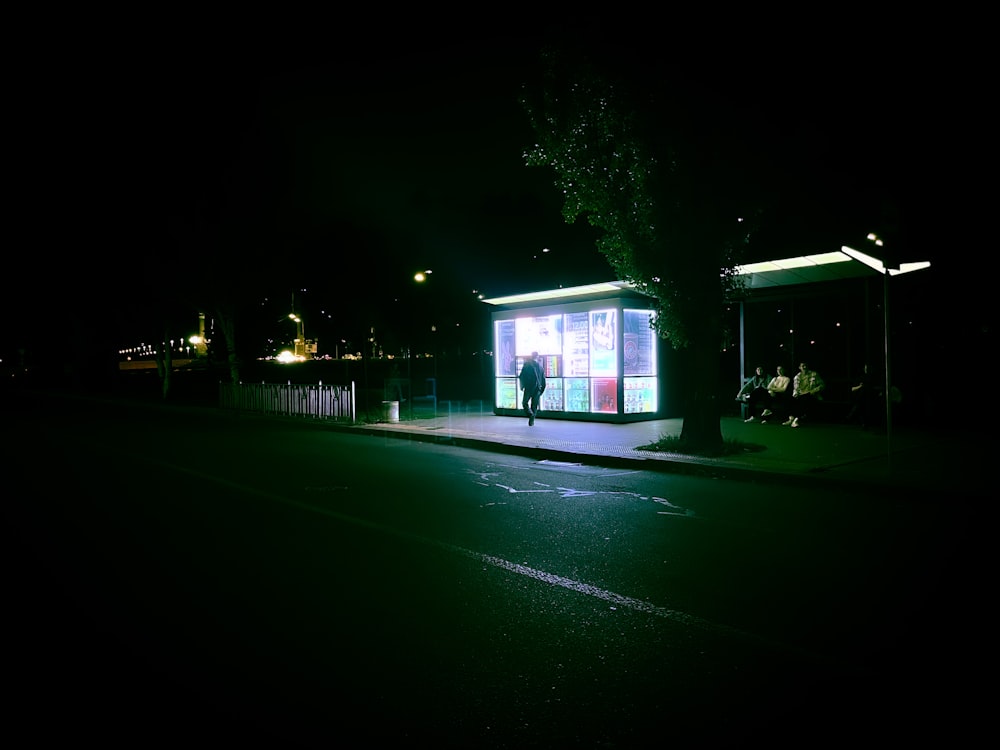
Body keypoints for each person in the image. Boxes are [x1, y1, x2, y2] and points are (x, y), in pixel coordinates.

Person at [784, 361, 825, 428]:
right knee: (787, 398)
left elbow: (822, 385)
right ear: (799, 367)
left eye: (805, 365)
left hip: (811, 394)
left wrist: (814, 391)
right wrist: (795, 394)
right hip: (800, 394)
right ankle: (791, 418)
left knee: (804, 400)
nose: (804, 367)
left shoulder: (814, 374)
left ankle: (796, 420)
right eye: (802, 366)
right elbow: (795, 388)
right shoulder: (797, 377)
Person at [518, 351, 546, 426]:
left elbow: (521, 376)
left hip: (529, 387)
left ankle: (530, 414)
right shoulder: (541, 367)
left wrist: (522, 386)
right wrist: (542, 390)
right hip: (537, 389)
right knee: (534, 405)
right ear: (537, 357)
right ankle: (532, 420)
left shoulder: (527, 365)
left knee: (524, 403)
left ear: (531, 356)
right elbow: (543, 379)